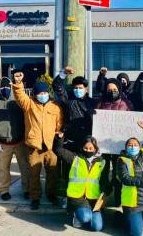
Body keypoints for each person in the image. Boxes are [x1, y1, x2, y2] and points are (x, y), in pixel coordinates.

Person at [12, 71, 63, 210]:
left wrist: (59, 132)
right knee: (34, 174)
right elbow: (20, 96)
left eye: (44, 93)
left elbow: (59, 123)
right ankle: (35, 198)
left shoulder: (55, 106)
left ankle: (51, 194)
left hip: (51, 146)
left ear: (48, 93)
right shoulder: (29, 105)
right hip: (34, 146)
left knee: (52, 173)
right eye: (39, 93)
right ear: (35, 94)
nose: (42, 95)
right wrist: (18, 83)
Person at [52, 66, 96, 206]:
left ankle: (86, 196)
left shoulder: (93, 103)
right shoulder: (68, 101)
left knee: (86, 172)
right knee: (67, 170)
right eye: (76, 87)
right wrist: (63, 74)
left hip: (86, 142)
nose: (78, 90)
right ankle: (66, 195)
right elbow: (57, 86)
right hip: (70, 141)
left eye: (81, 87)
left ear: (86, 89)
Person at [0, 77, 30, 201]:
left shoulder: (18, 102)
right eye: (2, 88)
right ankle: (3, 190)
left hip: (20, 142)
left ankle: (27, 190)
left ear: (11, 87)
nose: (5, 89)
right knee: (3, 168)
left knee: (25, 168)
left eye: (7, 87)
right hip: (2, 143)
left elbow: (28, 119)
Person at [53, 134, 110, 231]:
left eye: (91, 148)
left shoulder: (102, 162)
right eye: (85, 148)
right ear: (82, 147)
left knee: (97, 227)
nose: (88, 150)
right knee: (85, 217)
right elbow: (58, 150)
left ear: (95, 149)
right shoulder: (75, 158)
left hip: (93, 199)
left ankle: (88, 213)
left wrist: (106, 189)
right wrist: (59, 139)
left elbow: (104, 180)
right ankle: (76, 214)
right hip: (77, 197)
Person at [96, 78, 133, 209]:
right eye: (109, 90)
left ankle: (119, 201)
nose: (112, 92)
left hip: (119, 146)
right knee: (103, 173)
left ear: (120, 90)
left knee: (119, 174)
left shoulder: (126, 104)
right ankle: (101, 201)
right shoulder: (100, 103)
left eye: (115, 90)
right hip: (104, 147)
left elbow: (131, 124)